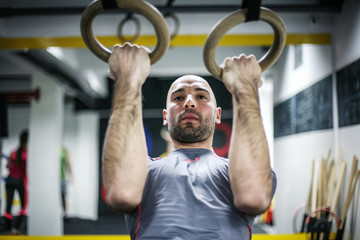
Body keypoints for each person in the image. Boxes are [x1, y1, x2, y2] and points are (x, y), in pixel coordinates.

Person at [102, 43, 276, 239]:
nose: (189, 102)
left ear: (218, 115)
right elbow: (120, 195)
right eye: (178, 98)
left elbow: (254, 199)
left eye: (201, 96)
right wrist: (128, 80)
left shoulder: (237, 173)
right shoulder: (144, 171)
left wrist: (245, 88)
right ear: (165, 116)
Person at [4, 129, 28, 234]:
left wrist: (14, 167)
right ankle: (17, 228)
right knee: (23, 205)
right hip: (20, 181)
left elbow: (7, 166)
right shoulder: (27, 154)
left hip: (10, 180)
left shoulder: (13, 152)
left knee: (8, 205)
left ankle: (9, 229)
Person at [60, 145, 72, 220]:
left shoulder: (65, 151)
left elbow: (69, 164)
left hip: (62, 177)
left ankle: (65, 213)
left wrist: (71, 175)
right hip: (52, 179)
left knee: (63, 196)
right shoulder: (51, 149)